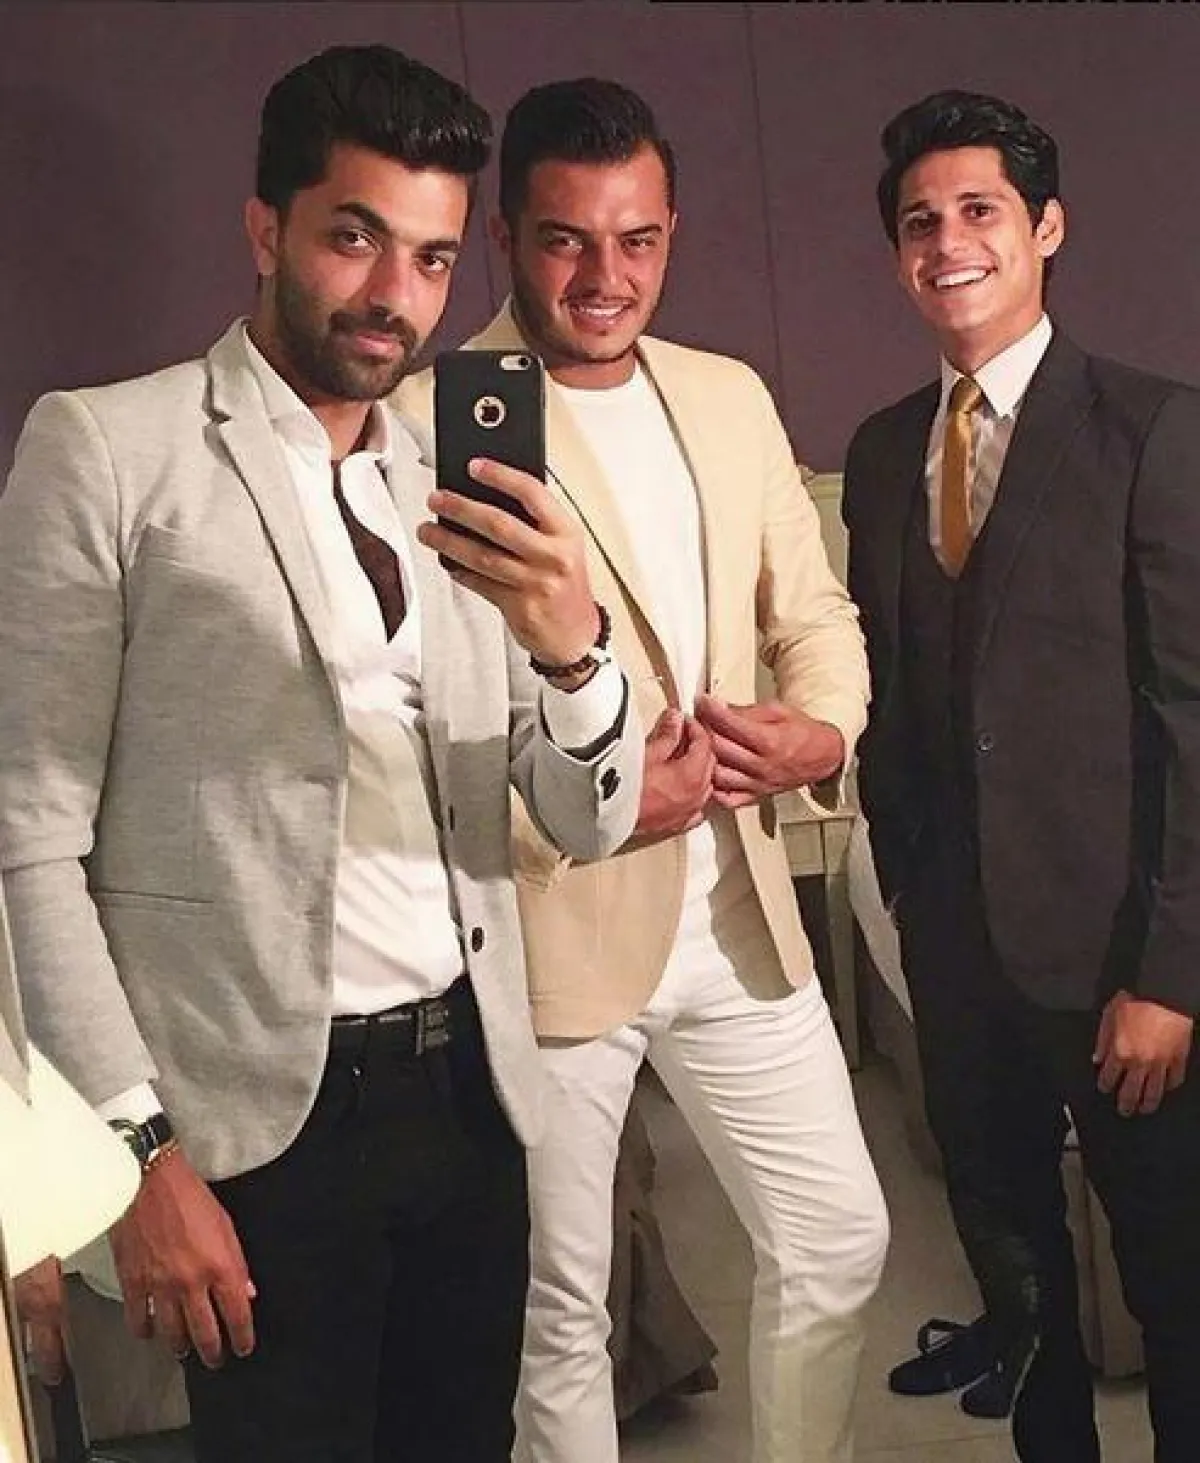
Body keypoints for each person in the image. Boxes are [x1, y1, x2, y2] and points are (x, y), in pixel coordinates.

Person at [0, 44, 642, 1463]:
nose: (393, 294)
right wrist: (138, 1159)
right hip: (254, 1120)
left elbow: (583, 818)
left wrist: (573, 652)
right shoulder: (110, 450)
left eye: (431, 257)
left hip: (471, 1095)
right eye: (355, 238)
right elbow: (29, 843)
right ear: (265, 228)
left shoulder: (449, 477)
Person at [402, 77, 887, 1463]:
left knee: (839, 1236)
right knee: (561, 1310)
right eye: (566, 240)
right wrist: (598, 809)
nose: (605, 278)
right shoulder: (429, 418)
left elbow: (813, 611)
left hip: (737, 907)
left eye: (638, 240)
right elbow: (417, 719)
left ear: (672, 231)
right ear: (507, 236)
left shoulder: (727, 395)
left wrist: (824, 732)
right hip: (550, 925)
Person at [843, 88, 1200, 1463]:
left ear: (1046, 227)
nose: (949, 243)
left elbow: (1190, 718)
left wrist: (1170, 974)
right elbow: (886, 688)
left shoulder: (1151, 430)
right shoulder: (883, 452)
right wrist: (909, 899)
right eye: (919, 221)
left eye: (980, 210)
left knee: (1178, 1288)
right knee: (1021, 1290)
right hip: (957, 962)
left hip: (1119, 969)